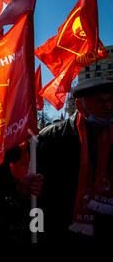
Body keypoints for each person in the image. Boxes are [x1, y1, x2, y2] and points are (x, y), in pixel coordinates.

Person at [37, 78, 113, 244]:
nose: (108, 107)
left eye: (111, 100)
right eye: (100, 101)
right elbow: (37, 194)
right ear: (80, 105)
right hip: (63, 231)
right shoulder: (52, 137)